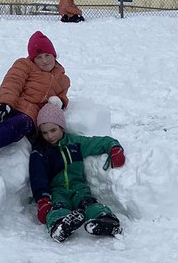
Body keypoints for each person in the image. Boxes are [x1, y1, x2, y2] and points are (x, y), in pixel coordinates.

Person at [29, 101, 124, 241]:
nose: (49, 136)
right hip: (57, 191)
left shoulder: (75, 143)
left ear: (61, 127)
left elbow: (99, 142)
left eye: (53, 130)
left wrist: (114, 148)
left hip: (79, 187)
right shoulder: (41, 152)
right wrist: (42, 200)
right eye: (44, 133)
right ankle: (59, 225)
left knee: (89, 203)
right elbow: (38, 176)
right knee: (57, 207)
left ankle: (107, 220)